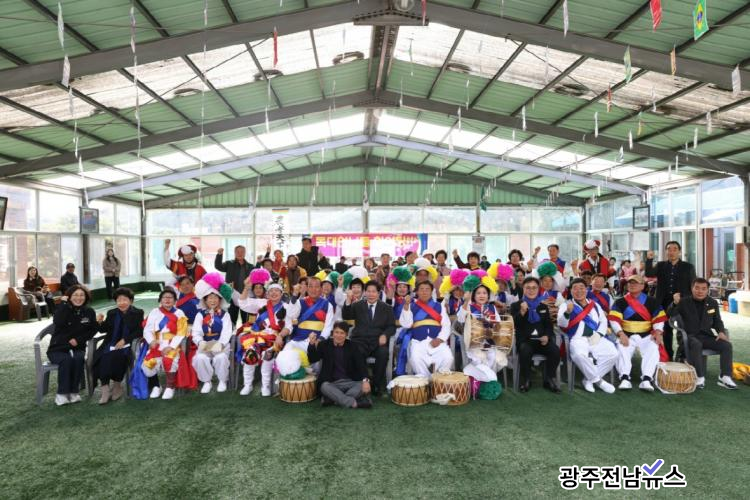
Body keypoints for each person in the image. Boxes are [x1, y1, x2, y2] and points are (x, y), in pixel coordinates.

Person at [668, 278, 736, 389]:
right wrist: (675, 303)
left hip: (706, 336)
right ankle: (699, 376)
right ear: (692, 288)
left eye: (703, 289)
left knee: (726, 345)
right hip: (689, 336)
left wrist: (721, 331)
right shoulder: (684, 302)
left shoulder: (712, 303)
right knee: (697, 344)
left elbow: (717, 321)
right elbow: (670, 314)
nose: (700, 291)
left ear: (707, 290)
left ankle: (725, 376)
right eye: (697, 288)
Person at [557, 279, 617, 394]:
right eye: (575, 288)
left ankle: (588, 380)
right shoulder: (566, 305)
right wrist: (567, 313)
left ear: (586, 289)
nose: (578, 291)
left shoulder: (595, 305)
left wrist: (599, 334)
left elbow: (603, 321)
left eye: (581, 288)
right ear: (571, 291)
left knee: (613, 353)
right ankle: (599, 381)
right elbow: (561, 324)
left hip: (595, 337)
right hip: (578, 338)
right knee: (578, 355)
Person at [608, 275, 667, 391]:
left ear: (642, 286)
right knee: (622, 348)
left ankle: (646, 379)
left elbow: (658, 319)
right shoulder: (620, 302)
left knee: (653, 347)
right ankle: (625, 378)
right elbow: (614, 320)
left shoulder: (652, 301)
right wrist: (620, 333)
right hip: (626, 334)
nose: (632, 285)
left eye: (636, 283)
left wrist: (658, 332)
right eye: (630, 283)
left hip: (646, 334)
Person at [238, 282, 294, 395]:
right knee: (250, 352)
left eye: (276, 291)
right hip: (257, 337)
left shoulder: (286, 307)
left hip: (275, 338)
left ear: (281, 293)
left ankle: (265, 386)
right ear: (267, 294)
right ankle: (247, 385)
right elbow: (242, 303)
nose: (274, 293)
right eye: (271, 291)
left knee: (268, 356)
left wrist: (280, 336)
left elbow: (289, 327)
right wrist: (246, 288)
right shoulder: (261, 303)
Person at [342, 281, 396, 396]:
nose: (371, 294)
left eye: (374, 291)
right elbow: (346, 316)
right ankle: (364, 380)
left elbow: (392, 326)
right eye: (368, 291)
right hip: (360, 340)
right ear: (365, 292)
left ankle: (376, 384)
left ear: (379, 293)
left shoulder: (386, 308)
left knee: (383, 353)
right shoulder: (357, 305)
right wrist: (348, 300)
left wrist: (385, 335)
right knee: (356, 351)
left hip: (377, 341)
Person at [46, 285, 97, 406]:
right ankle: (62, 394)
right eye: (75, 295)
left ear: (86, 297)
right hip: (58, 349)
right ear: (69, 297)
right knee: (66, 360)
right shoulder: (64, 308)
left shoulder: (89, 312)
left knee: (78, 358)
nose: (79, 298)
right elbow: (58, 322)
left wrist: (79, 340)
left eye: (82, 295)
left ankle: (74, 392)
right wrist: (63, 304)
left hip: (77, 347)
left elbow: (92, 330)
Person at [645, 241, 696, 361]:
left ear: (679, 251)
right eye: (669, 249)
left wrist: (684, 298)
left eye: (674, 249)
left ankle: (682, 356)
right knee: (666, 330)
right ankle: (668, 356)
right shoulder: (661, 265)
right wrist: (649, 259)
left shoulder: (688, 267)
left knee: (682, 331)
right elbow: (649, 273)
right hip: (663, 303)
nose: (671, 252)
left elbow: (693, 285)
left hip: (681, 303)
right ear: (666, 251)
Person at [93, 287, 144, 404]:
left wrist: (125, 340)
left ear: (131, 301)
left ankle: (117, 386)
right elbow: (104, 329)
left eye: (125, 300)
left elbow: (139, 331)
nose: (121, 303)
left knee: (116, 356)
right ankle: (105, 389)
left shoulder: (138, 312)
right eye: (119, 300)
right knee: (100, 357)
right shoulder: (112, 313)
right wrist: (99, 322)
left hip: (128, 345)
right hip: (110, 343)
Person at [510, 277, 561, 393]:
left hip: (542, 340)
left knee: (555, 351)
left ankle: (549, 379)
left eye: (534, 288)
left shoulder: (543, 306)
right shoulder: (515, 305)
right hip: (526, 340)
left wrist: (547, 336)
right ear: (523, 289)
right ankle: (526, 380)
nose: (531, 290)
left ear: (538, 289)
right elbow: (514, 324)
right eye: (528, 288)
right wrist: (522, 312)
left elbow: (549, 325)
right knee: (525, 350)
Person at [307, 322, 372, 408]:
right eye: (336, 332)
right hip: (332, 383)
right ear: (332, 333)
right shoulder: (324, 345)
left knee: (362, 385)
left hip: (350, 381)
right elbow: (313, 359)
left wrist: (366, 381)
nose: (338, 335)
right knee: (324, 386)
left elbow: (361, 364)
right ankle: (354, 403)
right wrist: (311, 345)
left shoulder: (353, 346)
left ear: (346, 335)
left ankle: (333, 399)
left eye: (342, 333)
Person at [397, 281, 453, 378]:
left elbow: (446, 325)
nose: (424, 292)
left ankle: (438, 380)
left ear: (431, 291)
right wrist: (406, 307)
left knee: (448, 358)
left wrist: (440, 339)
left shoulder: (439, 306)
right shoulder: (411, 305)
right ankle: (425, 381)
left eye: (427, 289)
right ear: (417, 292)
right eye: (421, 289)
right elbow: (407, 324)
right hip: (418, 342)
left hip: (437, 341)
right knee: (415, 359)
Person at [142, 289, 189, 400]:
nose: (167, 299)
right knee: (148, 363)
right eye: (164, 297)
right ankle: (156, 386)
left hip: (173, 344)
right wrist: (151, 341)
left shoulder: (179, 313)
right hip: (157, 343)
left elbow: (181, 333)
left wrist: (171, 346)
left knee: (169, 359)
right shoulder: (154, 312)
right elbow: (147, 329)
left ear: (175, 300)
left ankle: (170, 387)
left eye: (170, 297)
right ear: (160, 300)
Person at [191, 274, 234, 394]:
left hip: (221, 346)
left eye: (215, 298)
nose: (213, 301)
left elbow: (226, 332)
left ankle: (222, 380)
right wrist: (200, 342)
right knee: (200, 358)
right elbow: (196, 332)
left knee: (221, 358)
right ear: (205, 300)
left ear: (220, 300)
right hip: (204, 345)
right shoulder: (200, 315)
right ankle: (207, 381)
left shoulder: (225, 315)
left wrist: (220, 344)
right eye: (210, 298)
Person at [278, 276, 334, 359]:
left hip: (316, 342)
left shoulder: (328, 305)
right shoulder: (300, 302)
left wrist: (320, 339)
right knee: (283, 358)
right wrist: (294, 295)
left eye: (316, 286)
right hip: (297, 340)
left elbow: (328, 326)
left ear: (321, 289)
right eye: (310, 286)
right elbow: (291, 315)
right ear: (307, 288)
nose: (313, 289)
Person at [215, 245, 254, 326]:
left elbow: (256, 277)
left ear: (245, 253)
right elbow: (218, 266)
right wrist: (219, 255)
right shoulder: (229, 263)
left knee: (246, 321)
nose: (240, 253)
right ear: (235, 253)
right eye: (237, 252)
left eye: (242, 252)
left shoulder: (251, 266)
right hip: (231, 295)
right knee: (231, 320)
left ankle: (245, 333)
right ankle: (231, 333)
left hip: (245, 296)